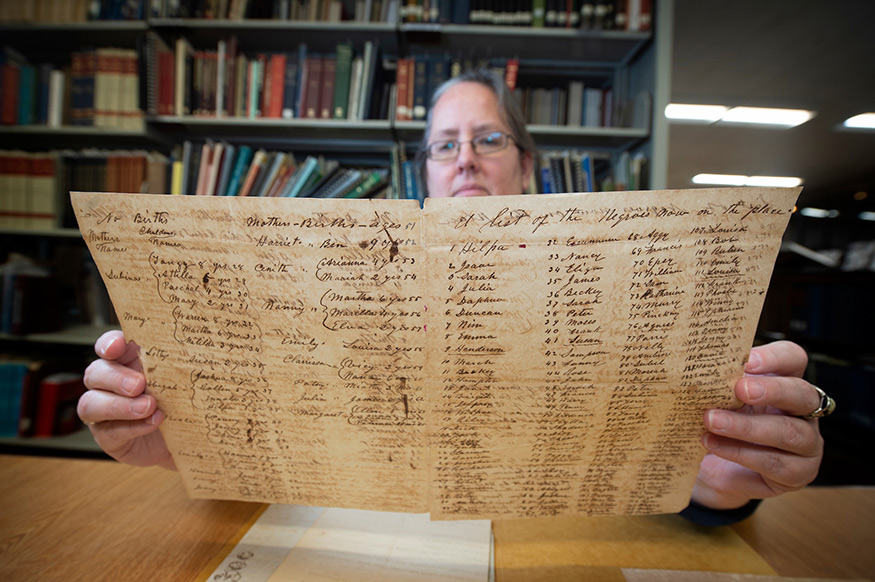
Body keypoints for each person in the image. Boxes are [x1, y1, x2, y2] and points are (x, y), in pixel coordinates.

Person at [78, 69, 830, 522]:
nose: (465, 159)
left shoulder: (633, 288)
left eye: (488, 139)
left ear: (528, 164)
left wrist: (729, 488)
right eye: (445, 144)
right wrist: (174, 444)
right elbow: (279, 487)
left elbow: (688, 493)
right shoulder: (322, 293)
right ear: (424, 172)